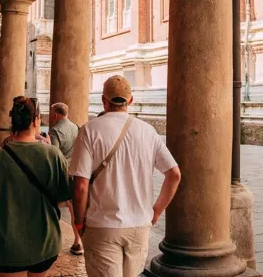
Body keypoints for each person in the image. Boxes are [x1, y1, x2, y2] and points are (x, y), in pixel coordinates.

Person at [70, 76, 181, 277]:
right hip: (139, 225)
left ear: (104, 100)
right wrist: (156, 210)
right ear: (130, 101)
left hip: (102, 225)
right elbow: (174, 174)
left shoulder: (89, 130)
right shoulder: (148, 131)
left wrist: (78, 222)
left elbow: (80, 186)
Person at [0, 96, 71, 276]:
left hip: (7, 243)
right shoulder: (53, 155)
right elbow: (63, 200)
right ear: (35, 121)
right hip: (45, 241)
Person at [48, 102, 83, 254]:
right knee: (75, 210)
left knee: (51, 208)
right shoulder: (76, 127)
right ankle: (78, 241)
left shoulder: (54, 131)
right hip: (75, 173)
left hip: (61, 175)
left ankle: (51, 241)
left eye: (51, 113)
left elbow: (54, 155)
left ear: (56, 114)